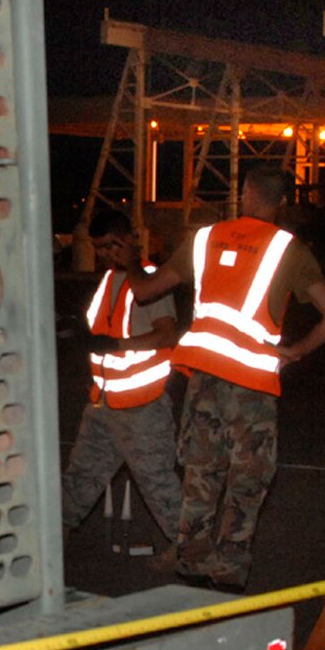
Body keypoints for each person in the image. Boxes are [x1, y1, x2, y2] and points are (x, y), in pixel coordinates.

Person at [125, 165, 325, 590]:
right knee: (247, 480)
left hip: (205, 379)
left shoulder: (204, 239)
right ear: (282, 204)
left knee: (200, 472)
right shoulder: (289, 250)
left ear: (244, 194)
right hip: (252, 386)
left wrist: (130, 259)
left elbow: (146, 291)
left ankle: (189, 561)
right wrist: (293, 353)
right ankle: (228, 570)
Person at [58, 211, 183, 544]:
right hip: (103, 404)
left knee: (159, 485)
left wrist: (117, 345)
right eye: (100, 248)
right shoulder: (110, 280)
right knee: (81, 476)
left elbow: (166, 336)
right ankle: (55, 539)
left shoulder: (149, 279)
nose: (105, 254)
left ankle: (189, 553)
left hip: (142, 409)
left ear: (130, 240)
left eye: (112, 245)